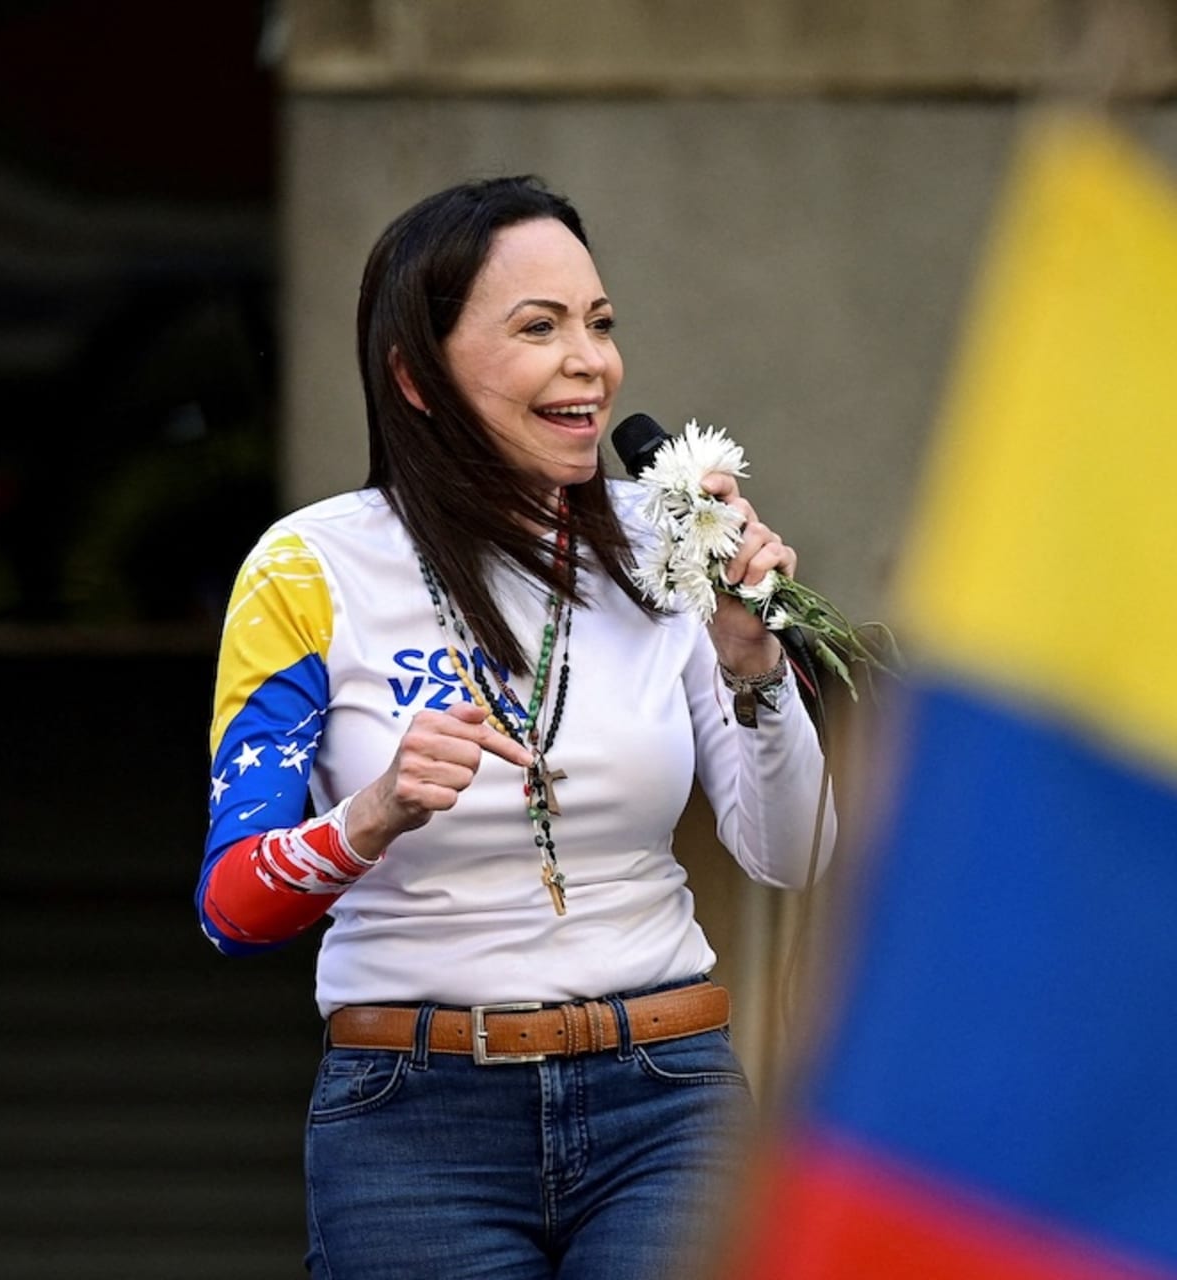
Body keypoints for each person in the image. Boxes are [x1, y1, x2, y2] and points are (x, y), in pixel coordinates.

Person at [195, 175, 836, 1279]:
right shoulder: (306, 569)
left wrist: (753, 662)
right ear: (417, 373)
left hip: (668, 1099)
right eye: (538, 328)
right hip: (411, 1118)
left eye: (599, 324)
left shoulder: (668, 538)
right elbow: (232, 906)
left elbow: (793, 850)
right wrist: (374, 812)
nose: (589, 360)